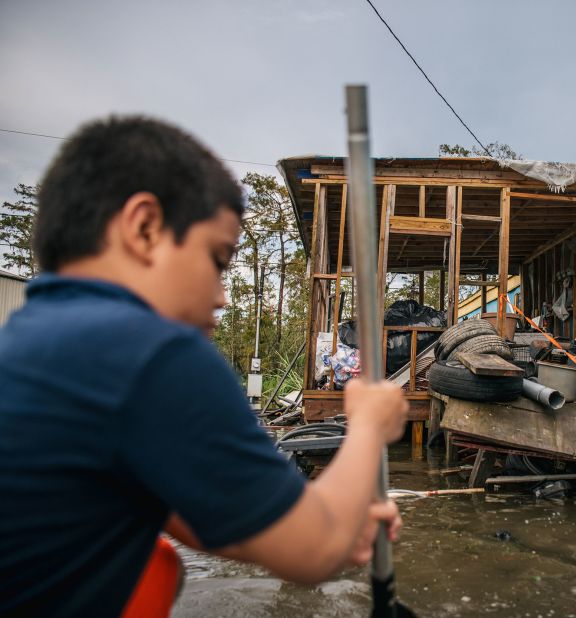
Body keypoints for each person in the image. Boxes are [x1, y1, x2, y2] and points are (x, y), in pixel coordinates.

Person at [0, 116, 409, 616]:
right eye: (218, 259)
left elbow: (228, 523)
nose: (220, 296)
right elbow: (313, 550)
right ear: (144, 226)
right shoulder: (148, 352)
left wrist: (335, 514)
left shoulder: (32, 344)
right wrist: (368, 426)